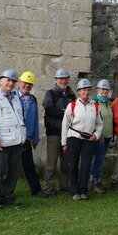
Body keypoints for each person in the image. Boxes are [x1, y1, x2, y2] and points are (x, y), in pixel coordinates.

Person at [0, 69, 26, 210]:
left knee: (13, 172)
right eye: (8, 80)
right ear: (1, 81)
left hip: (16, 141)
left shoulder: (15, 98)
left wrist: (23, 139)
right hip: (1, 142)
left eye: (13, 81)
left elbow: (19, 119)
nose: (10, 83)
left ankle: (7, 197)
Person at [61, 79, 102, 201]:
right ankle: (74, 191)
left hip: (88, 139)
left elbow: (99, 124)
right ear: (79, 91)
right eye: (84, 90)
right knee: (73, 165)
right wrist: (64, 143)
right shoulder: (72, 105)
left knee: (86, 165)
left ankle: (83, 190)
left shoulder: (95, 106)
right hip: (73, 138)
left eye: (88, 90)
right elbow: (65, 124)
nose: (86, 92)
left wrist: (96, 135)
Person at [43, 68, 76, 196]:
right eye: (60, 78)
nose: (63, 80)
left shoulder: (71, 94)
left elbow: (75, 111)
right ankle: (49, 186)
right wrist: (64, 113)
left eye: (65, 78)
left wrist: (65, 112)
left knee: (65, 161)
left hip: (68, 132)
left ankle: (64, 185)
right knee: (52, 161)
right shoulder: (50, 93)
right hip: (54, 131)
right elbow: (49, 109)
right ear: (56, 80)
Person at [14, 71, 46, 198]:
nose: (27, 86)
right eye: (25, 83)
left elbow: (35, 119)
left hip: (26, 139)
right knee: (10, 167)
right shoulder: (12, 97)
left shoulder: (33, 99)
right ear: (20, 82)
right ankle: (4, 193)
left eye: (30, 84)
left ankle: (36, 191)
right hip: (14, 138)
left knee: (29, 166)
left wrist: (35, 138)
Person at [90, 79, 114, 194]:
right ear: (98, 90)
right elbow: (92, 120)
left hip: (108, 136)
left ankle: (92, 180)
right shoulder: (95, 103)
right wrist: (98, 134)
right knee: (98, 160)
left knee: (99, 159)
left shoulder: (108, 103)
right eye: (102, 89)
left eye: (106, 89)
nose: (104, 91)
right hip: (99, 136)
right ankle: (95, 182)